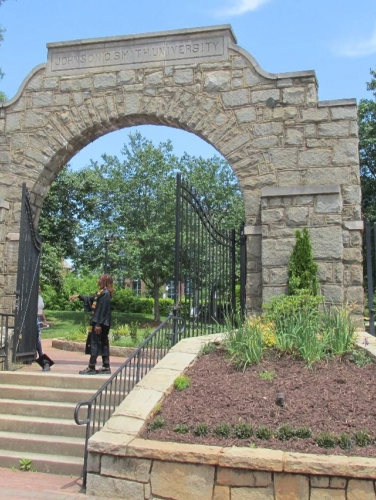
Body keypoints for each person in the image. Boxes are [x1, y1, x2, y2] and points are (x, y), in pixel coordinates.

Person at [70, 274, 114, 375]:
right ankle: (106, 366)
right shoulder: (101, 292)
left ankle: (91, 367)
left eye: (100, 279)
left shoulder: (105, 293)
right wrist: (79, 296)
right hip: (102, 322)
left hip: (100, 323)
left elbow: (102, 309)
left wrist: (98, 324)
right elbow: (91, 298)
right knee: (103, 343)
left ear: (105, 281)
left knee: (95, 342)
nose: (98, 280)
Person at [36, 285, 54, 371]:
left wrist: (44, 319)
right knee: (37, 338)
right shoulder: (32, 298)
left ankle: (42, 358)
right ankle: (42, 358)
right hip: (34, 318)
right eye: (37, 288)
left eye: (40, 288)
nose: (39, 290)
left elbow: (41, 310)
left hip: (39, 318)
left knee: (38, 337)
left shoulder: (40, 298)